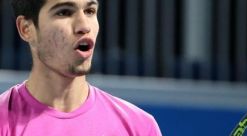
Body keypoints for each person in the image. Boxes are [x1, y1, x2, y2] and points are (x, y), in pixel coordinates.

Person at [0, 0, 162, 135]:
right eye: (64, 12)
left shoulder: (139, 127)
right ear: (26, 29)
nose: (84, 26)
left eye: (90, 11)